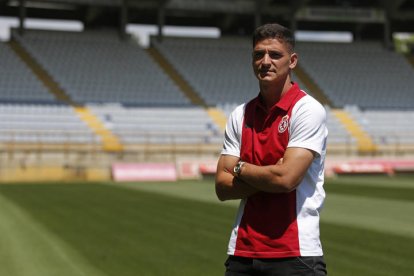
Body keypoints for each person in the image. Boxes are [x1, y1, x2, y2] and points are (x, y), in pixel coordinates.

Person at [215, 23, 328, 276]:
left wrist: (240, 168)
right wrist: (269, 175)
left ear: (293, 60)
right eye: (258, 54)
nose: (265, 61)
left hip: (295, 253)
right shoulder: (240, 114)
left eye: (275, 55)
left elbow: (286, 179)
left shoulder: (307, 110)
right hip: (242, 252)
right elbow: (222, 187)